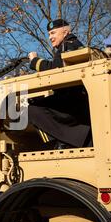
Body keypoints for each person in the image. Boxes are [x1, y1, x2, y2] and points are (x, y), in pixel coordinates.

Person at [26, 19, 92, 149]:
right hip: (73, 98)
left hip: (73, 101)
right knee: (35, 103)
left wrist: (34, 61)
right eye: (49, 34)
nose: (50, 37)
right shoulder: (68, 45)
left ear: (65, 32)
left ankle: (61, 142)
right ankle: (64, 141)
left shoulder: (70, 44)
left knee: (32, 109)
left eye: (53, 33)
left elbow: (56, 68)